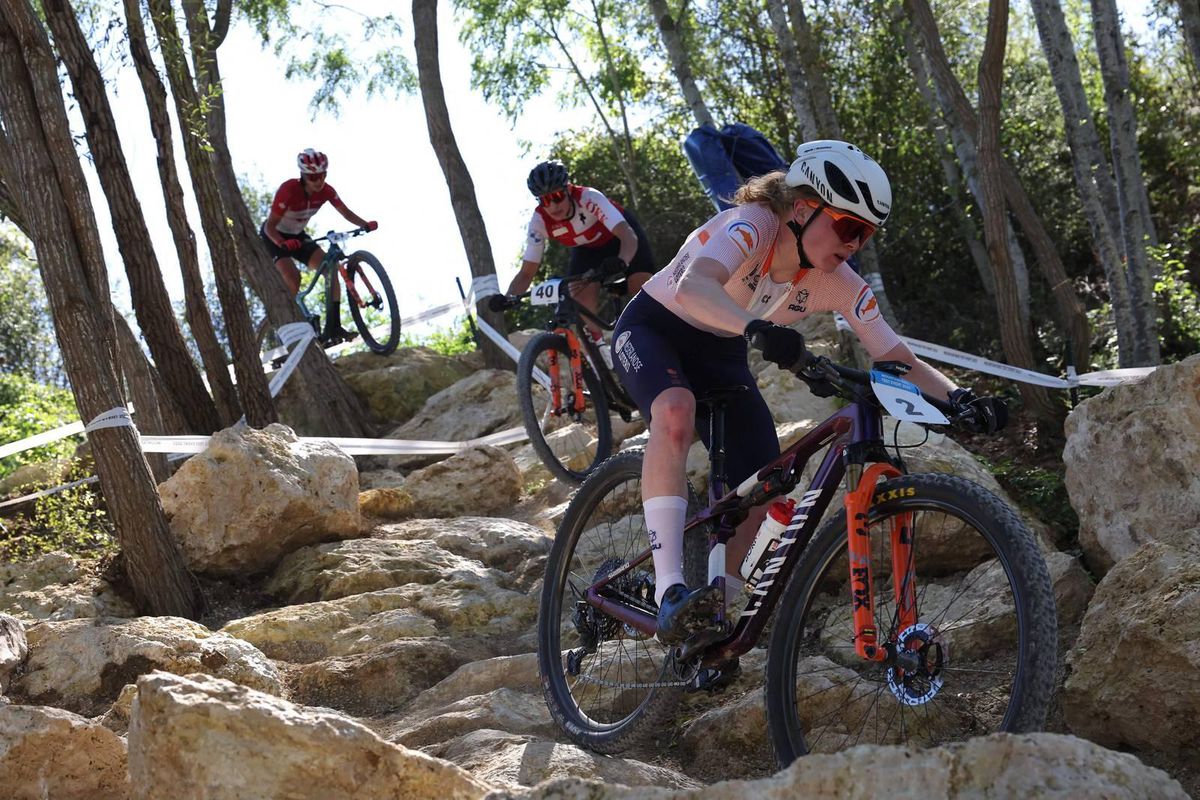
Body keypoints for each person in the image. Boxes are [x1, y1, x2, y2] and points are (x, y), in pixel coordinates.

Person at [609, 140, 1007, 644]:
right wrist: (757, 328)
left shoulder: (838, 281)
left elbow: (894, 355)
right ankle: (668, 592)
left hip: (724, 350)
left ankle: (708, 618)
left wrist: (960, 397)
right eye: (847, 226)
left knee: (764, 484)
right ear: (801, 208)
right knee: (674, 411)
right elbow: (694, 286)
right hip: (655, 327)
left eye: (865, 234)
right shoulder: (752, 224)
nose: (855, 243)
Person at [489, 160, 655, 353]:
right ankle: (602, 352)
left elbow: (627, 234)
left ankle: (656, 342)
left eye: (557, 196)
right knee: (579, 295)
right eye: (545, 200)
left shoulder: (588, 197)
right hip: (587, 249)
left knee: (641, 293)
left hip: (622, 239)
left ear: (567, 189)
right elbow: (527, 272)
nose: (552, 205)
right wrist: (510, 298)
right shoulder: (539, 221)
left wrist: (622, 261)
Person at [259, 148, 378, 343]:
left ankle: (334, 327)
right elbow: (270, 226)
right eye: (313, 177)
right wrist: (282, 242)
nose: (319, 181)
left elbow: (346, 213)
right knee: (293, 278)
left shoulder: (326, 191)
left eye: (323, 175)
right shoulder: (289, 190)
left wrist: (364, 224)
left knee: (331, 270)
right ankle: (285, 321)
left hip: (298, 235)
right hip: (274, 237)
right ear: (304, 176)